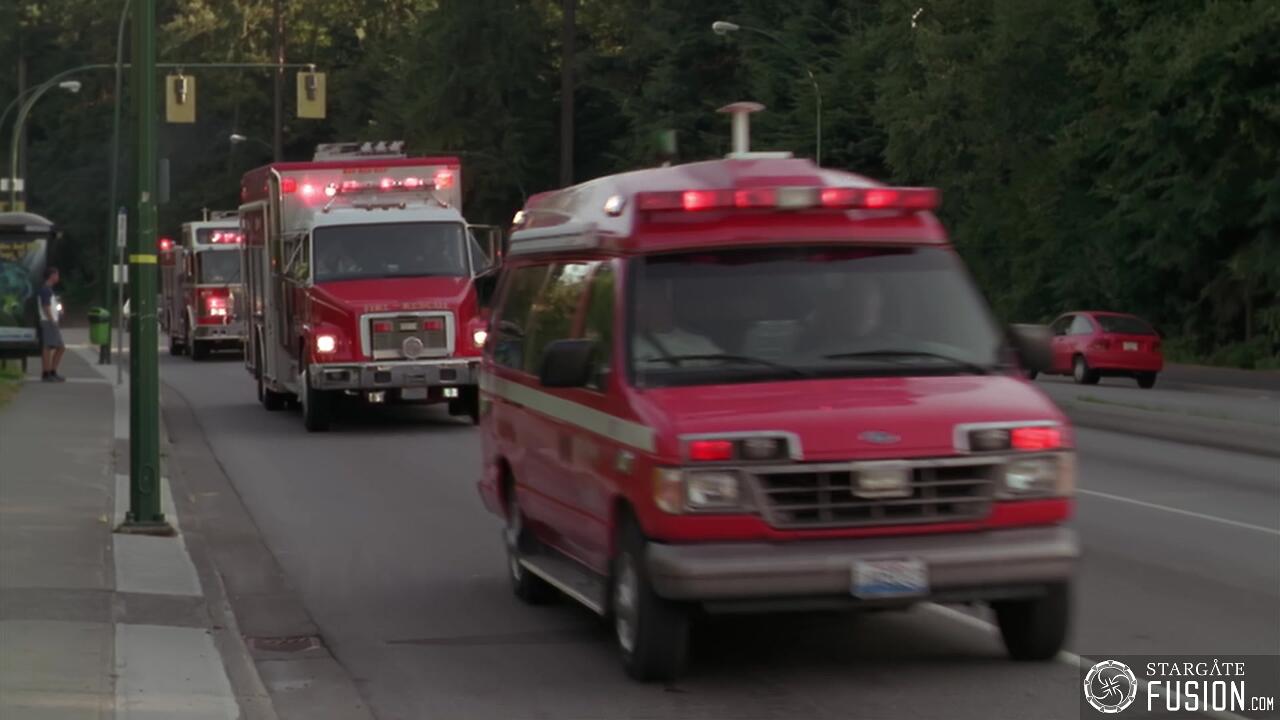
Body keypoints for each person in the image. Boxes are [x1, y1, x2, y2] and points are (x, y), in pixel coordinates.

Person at [631, 279, 721, 366]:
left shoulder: (698, 341)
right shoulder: (631, 346)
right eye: (648, 302)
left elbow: (722, 363)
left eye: (660, 300)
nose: (658, 307)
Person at [38, 266, 65, 382]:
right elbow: (45, 306)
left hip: (52, 321)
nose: (58, 277)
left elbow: (52, 305)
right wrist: (51, 319)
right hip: (48, 321)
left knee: (60, 347)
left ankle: (52, 371)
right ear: (52, 276)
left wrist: (58, 313)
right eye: (57, 275)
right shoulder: (45, 290)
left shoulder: (49, 290)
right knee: (48, 347)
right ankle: (46, 372)